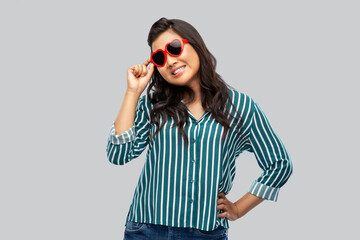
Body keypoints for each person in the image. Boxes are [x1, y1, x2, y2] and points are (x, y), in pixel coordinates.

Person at [106, 17, 293, 240]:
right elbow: (118, 155)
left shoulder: (241, 107)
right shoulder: (154, 104)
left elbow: (279, 164)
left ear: (195, 44)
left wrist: (239, 208)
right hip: (146, 230)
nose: (170, 61)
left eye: (174, 48)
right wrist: (133, 92)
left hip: (205, 234)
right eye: (159, 58)